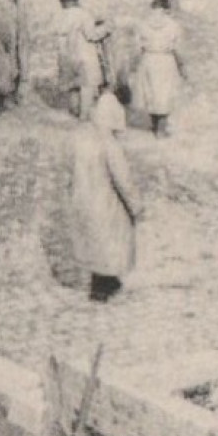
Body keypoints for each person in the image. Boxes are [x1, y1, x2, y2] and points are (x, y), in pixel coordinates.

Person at [71, 90, 144, 302]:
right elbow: (123, 179)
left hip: (84, 199)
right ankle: (103, 286)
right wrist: (136, 205)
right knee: (112, 244)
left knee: (95, 245)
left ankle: (106, 281)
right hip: (107, 203)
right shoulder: (110, 144)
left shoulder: (83, 139)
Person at [134, 0, 187, 138]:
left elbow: (137, 46)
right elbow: (178, 47)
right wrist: (182, 66)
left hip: (148, 58)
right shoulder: (173, 24)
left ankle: (154, 124)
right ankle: (161, 129)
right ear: (167, 7)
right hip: (166, 59)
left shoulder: (143, 23)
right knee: (164, 93)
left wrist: (136, 63)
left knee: (151, 92)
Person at [57, 0, 111, 121]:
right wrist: (106, 29)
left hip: (66, 55)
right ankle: (84, 115)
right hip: (84, 54)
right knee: (86, 85)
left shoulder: (60, 16)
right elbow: (91, 35)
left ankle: (73, 110)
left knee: (72, 85)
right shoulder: (83, 14)